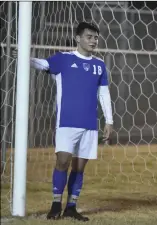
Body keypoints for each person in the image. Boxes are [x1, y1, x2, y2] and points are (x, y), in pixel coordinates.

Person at [28, 22, 113, 221]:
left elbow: (104, 94)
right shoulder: (64, 59)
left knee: (79, 167)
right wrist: (25, 57)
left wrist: (109, 121)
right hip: (66, 122)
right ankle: (56, 204)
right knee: (62, 161)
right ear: (78, 38)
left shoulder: (99, 65)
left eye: (95, 37)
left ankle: (71, 207)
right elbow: (43, 64)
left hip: (90, 124)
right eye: (89, 37)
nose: (93, 41)